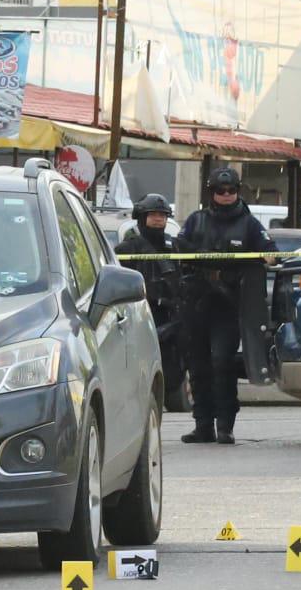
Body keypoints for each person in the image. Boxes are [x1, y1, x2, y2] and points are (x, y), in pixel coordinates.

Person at [179, 167, 277, 446]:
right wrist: (208, 259)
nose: (226, 195)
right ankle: (202, 426)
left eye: (231, 190)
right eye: (220, 191)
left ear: (238, 191)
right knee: (197, 367)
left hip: (228, 304)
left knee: (222, 363)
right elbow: (181, 246)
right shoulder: (196, 221)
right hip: (196, 303)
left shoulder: (249, 224)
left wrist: (267, 255)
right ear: (211, 192)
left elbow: (270, 248)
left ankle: (225, 426)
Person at [116, 193, 190, 410]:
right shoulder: (128, 248)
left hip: (169, 318)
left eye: (162, 215)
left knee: (173, 369)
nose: (158, 219)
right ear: (142, 217)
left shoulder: (174, 247)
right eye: (153, 215)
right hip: (140, 315)